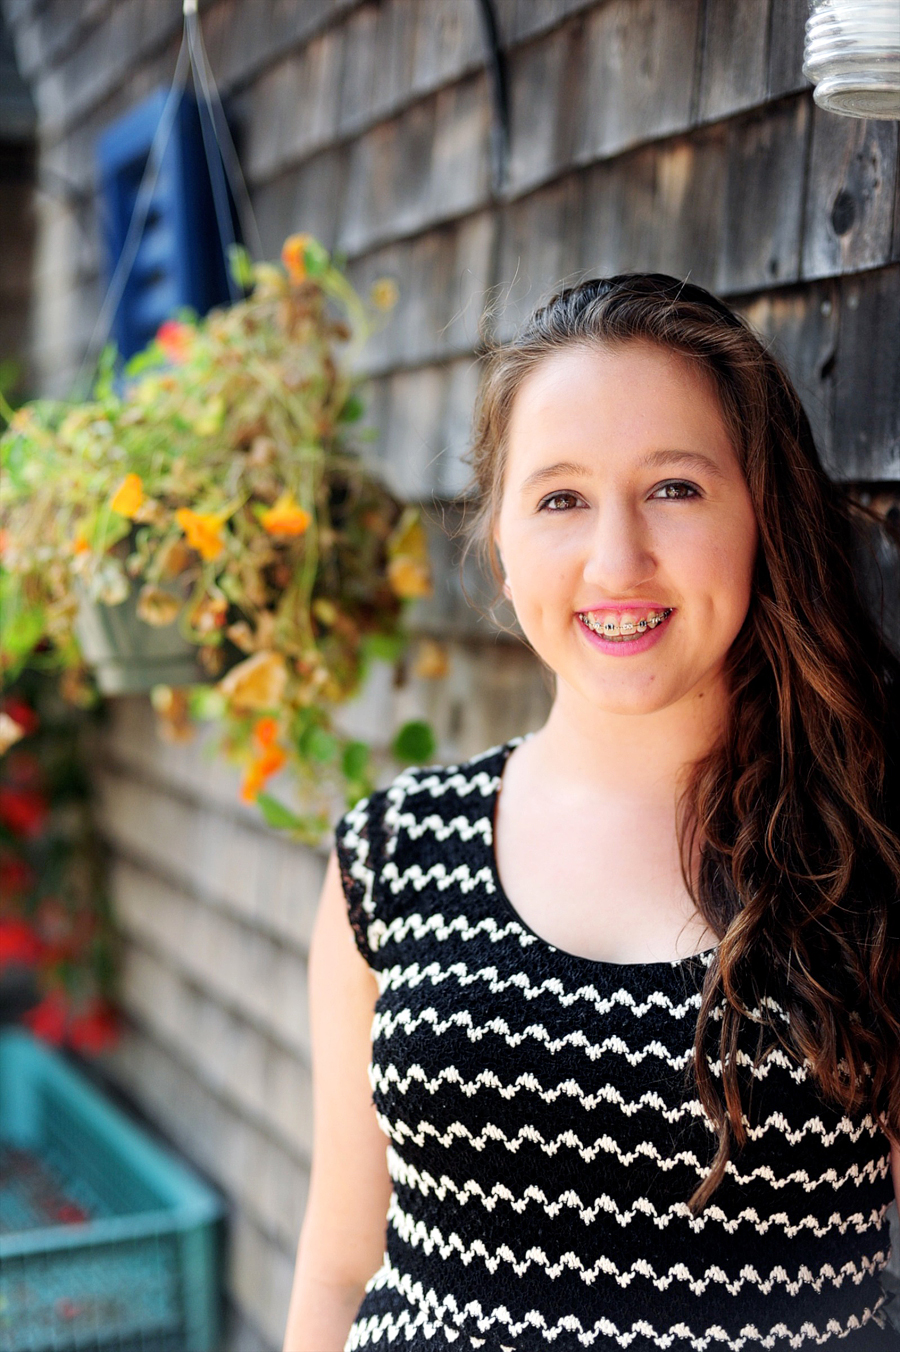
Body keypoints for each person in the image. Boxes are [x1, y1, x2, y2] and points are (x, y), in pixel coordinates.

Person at [282, 275, 900, 1351]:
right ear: (502, 538)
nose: (618, 560)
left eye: (674, 487)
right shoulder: (393, 854)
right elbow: (342, 1257)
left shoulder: (871, 844)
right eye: (561, 498)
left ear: (763, 513)